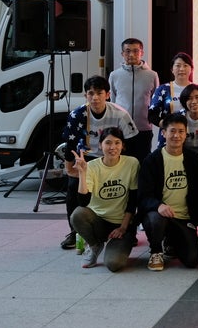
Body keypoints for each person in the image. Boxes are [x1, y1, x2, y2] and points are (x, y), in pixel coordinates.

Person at [60, 75, 140, 250]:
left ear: (108, 94)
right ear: (85, 96)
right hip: (89, 158)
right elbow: (70, 145)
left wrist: (127, 166)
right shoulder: (77, 115)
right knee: (73, 186)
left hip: (115, 155)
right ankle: (75, 232)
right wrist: (70, 170)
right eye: (90, 93)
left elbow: (133, 143)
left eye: (99, 93)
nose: (95, 97)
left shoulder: (120, 114)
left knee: (129, 189)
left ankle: (129, 230)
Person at [138, 114, 198, 271]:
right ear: (163, 133)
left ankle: (171, 240)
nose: (176, 136)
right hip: (161, 214)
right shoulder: (152, 160)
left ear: (186, 134)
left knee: (192, 260)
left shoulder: (194, 159)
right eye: (172, 131)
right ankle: (156, 250)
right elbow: (143, 196)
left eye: (181, 131)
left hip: (183, 217)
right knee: (155, 219)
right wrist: (158, 205)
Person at [69, 127, 140, 270]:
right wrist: (82, 173)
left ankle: (117, 244)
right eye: (108, 143)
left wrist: (123, 227)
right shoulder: (91, 166)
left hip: (122, 224)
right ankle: (94, 245)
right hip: (98, 222)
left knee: (114, 264)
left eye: (117, 143)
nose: (112, 147)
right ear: (100, 145)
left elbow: (133, 200)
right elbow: (83, 202)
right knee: (78, 214)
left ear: (123, 145)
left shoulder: (132, 163)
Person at [108, 37, 159, 159]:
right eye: (127, 51)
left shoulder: (152, 75)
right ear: (122, 54)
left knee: (143, 161)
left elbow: (155, 102)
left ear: (142, 53)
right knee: (122, 162)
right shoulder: (114, 75)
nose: (131, 54)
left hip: (144, 129)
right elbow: (112, 102)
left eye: (136, 51)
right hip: (121, 129)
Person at [148, 52, 194, 138]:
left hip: (192, 136)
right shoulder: (163, 89)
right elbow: (152, 115)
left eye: (185, 65)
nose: (182, 69)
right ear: (172, 69)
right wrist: (167, 126)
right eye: (178, 66)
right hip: (169, 137)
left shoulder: (196, 90)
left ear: (191, 69)